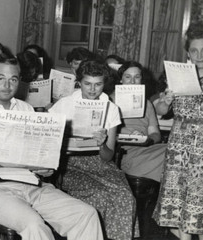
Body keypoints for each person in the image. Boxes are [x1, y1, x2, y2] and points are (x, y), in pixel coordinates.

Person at [0, 55, 103, 240]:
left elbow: (40, 160)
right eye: (1, 78)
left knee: (85, 214)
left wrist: (46, 168)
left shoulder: (26, 110)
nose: (7, 85)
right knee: (34, 226)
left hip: (30, 184)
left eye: (13, 79)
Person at [49, 60, 137, 240]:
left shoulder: (111, 108)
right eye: (87, 84)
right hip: (69, 165)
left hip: (100, 164)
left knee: (126, 197)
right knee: (99, 196)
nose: (92, 90)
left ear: (104, 84)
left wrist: (101, 144)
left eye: (98, 84)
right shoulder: (64, 104)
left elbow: (108, 156)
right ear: (78, 82)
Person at [153, 21, 203, 240]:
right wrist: (165, 101)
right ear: (188, 52)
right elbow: (160, 111)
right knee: (179, 206)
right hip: (180, 151)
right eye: (194, 50)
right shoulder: (178, 75)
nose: (199, 56)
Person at [112, 61, 166, 182]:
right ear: (121, 80)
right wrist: (128, 138)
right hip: (124, 153)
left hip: (146, 148)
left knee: (175, 150)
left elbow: (155, 134)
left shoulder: (147, 104)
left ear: (141, 79)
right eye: (128, 77)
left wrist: (147, 139)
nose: (132, 82)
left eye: (137, 77)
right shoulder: (110, 101)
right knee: (172, 155)